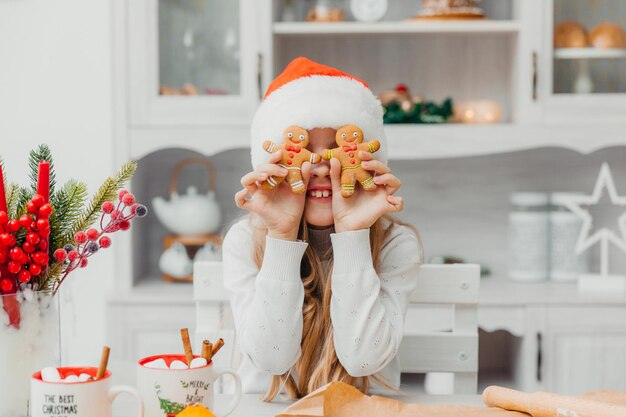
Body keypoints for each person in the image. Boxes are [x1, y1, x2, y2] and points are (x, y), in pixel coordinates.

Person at [222, 57, 423, 401]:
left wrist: (352, 233)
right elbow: (271, 359)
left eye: (335, 150)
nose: (320, 166)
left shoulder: (395, 243)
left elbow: (363, 361)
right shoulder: (245, 240)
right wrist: (282, 234)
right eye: (302, 151)